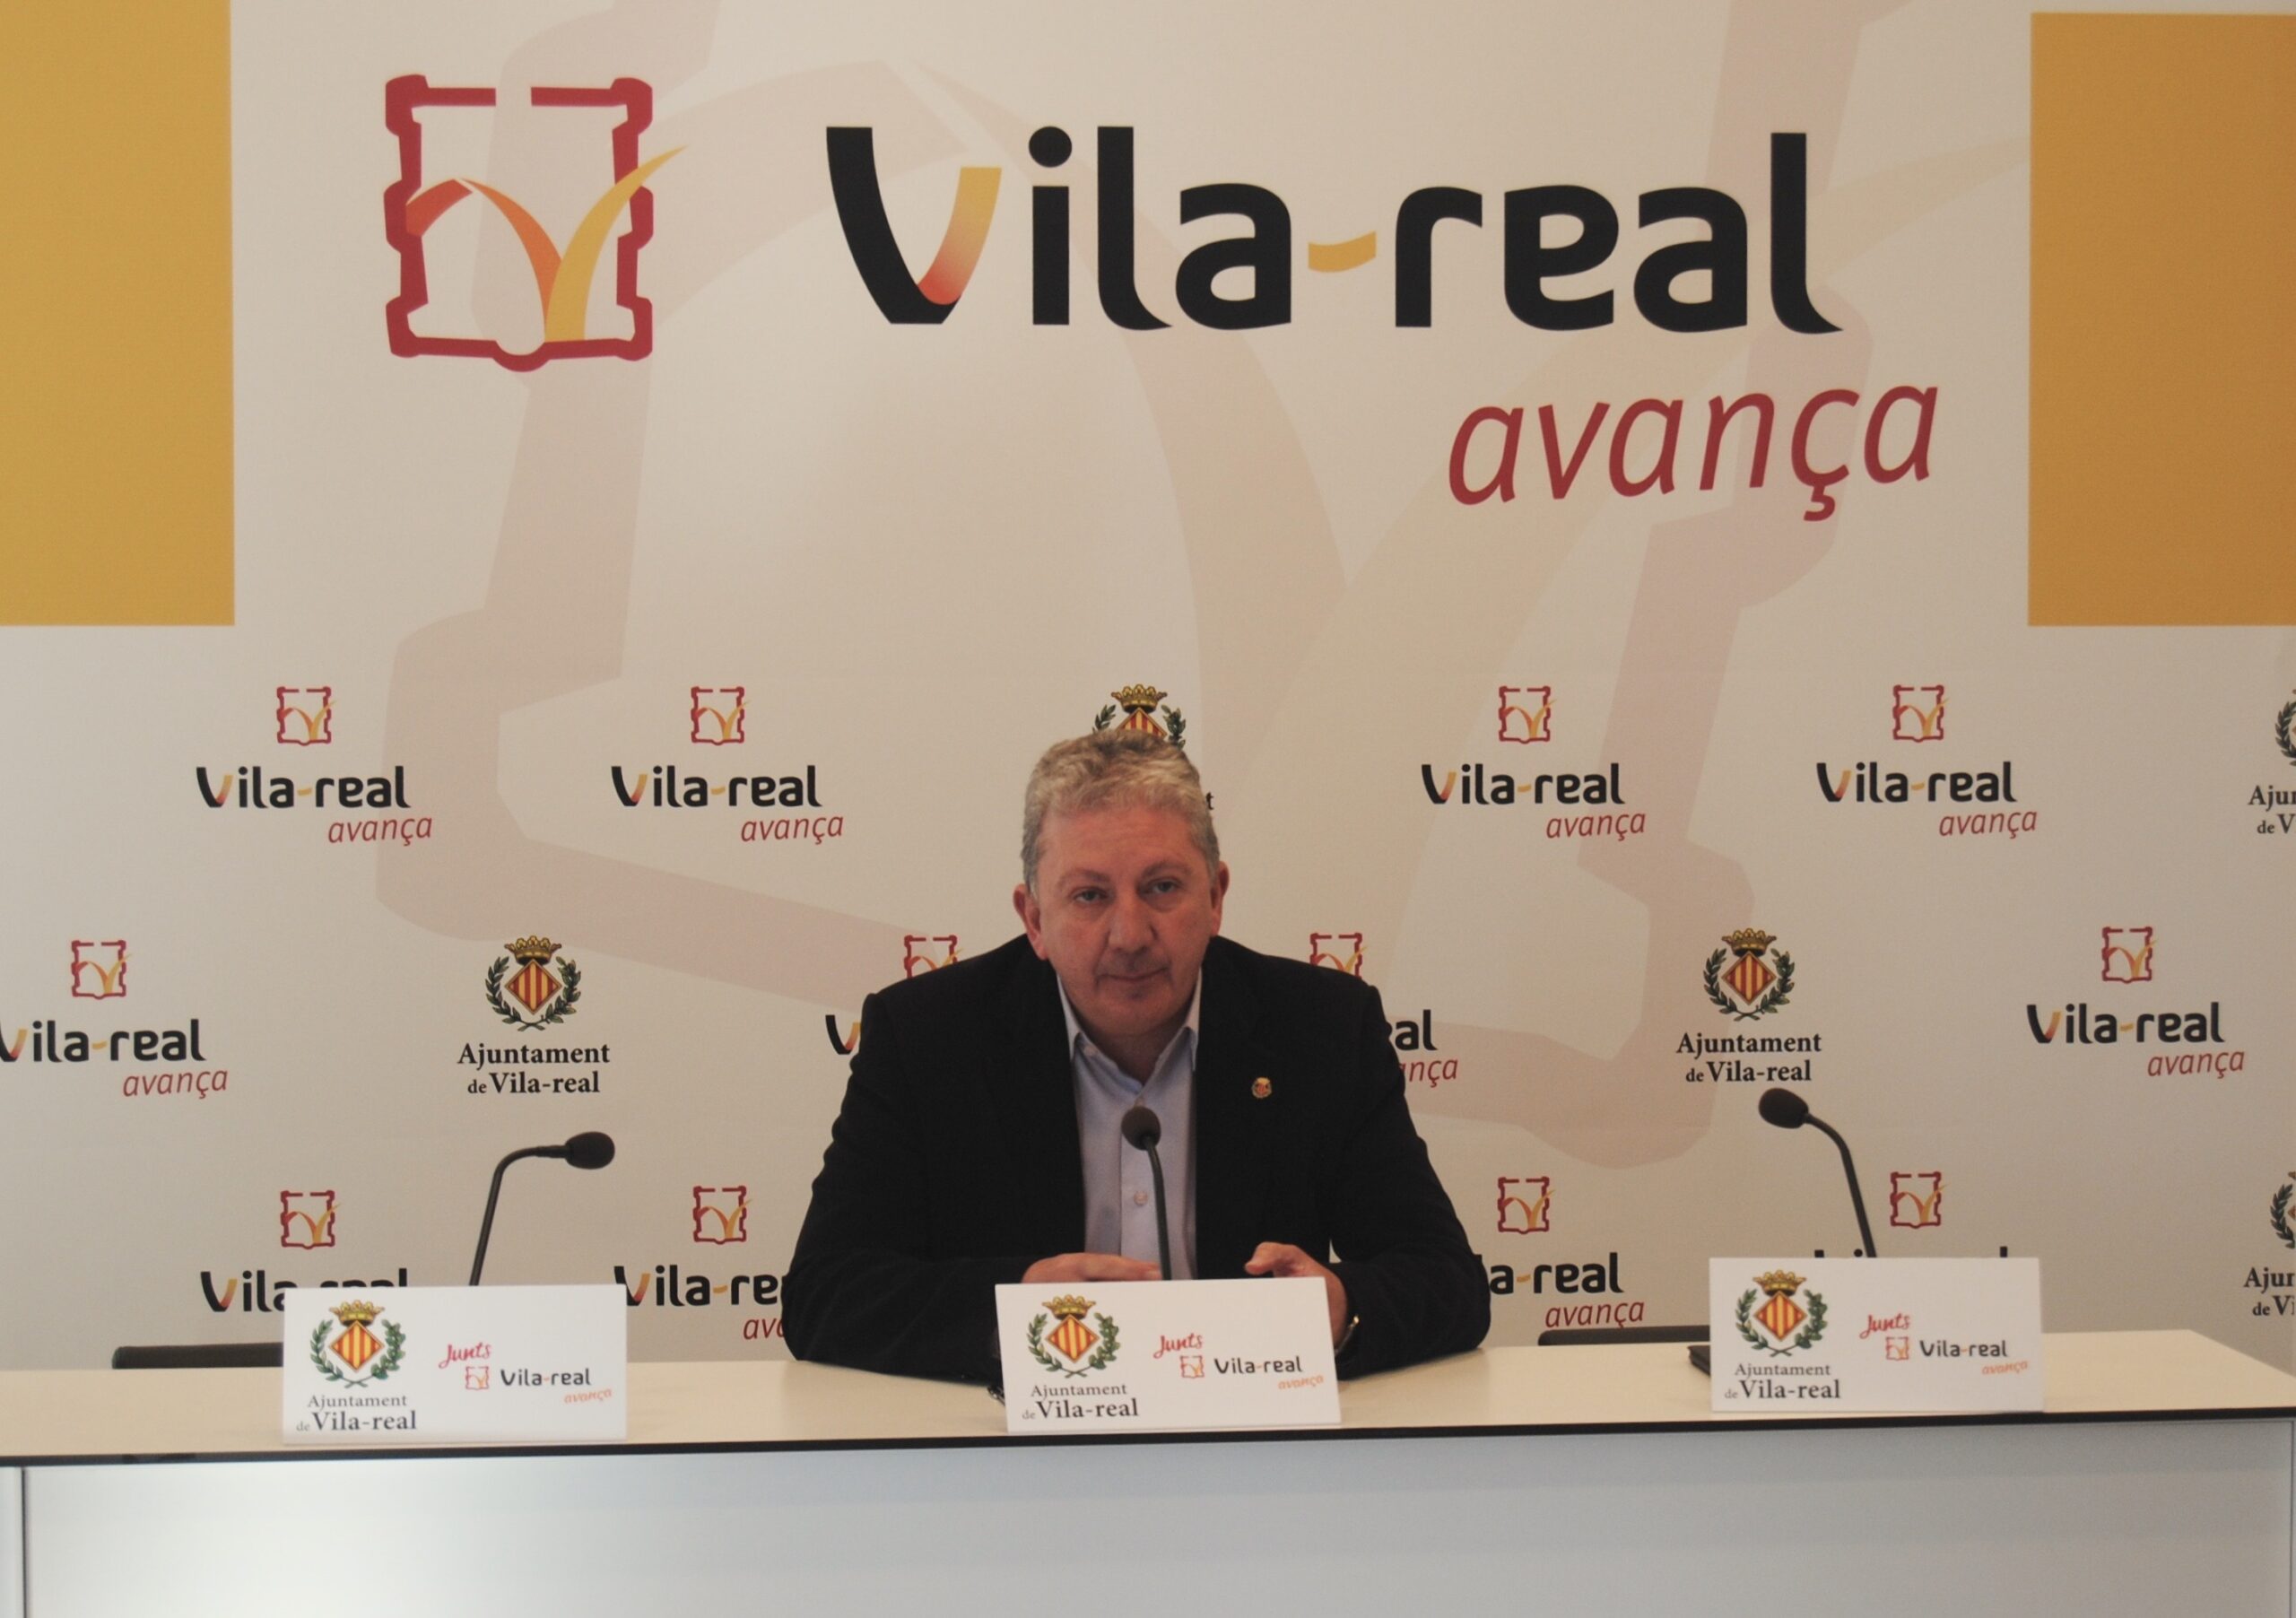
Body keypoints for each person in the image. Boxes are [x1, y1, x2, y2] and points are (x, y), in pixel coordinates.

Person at [785, 729, 1489, 1382]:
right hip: (1017, 1454)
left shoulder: (1321, 1028)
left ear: (1215, 897)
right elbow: (825, 1293)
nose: (1129, 934)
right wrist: (1018, 1303)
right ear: (1035, 920)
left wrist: (1339, 1308)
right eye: (1089, 896)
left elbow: (1447, 1280)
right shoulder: (928, 1038)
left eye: (1162, 888)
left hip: (1252, 1446)